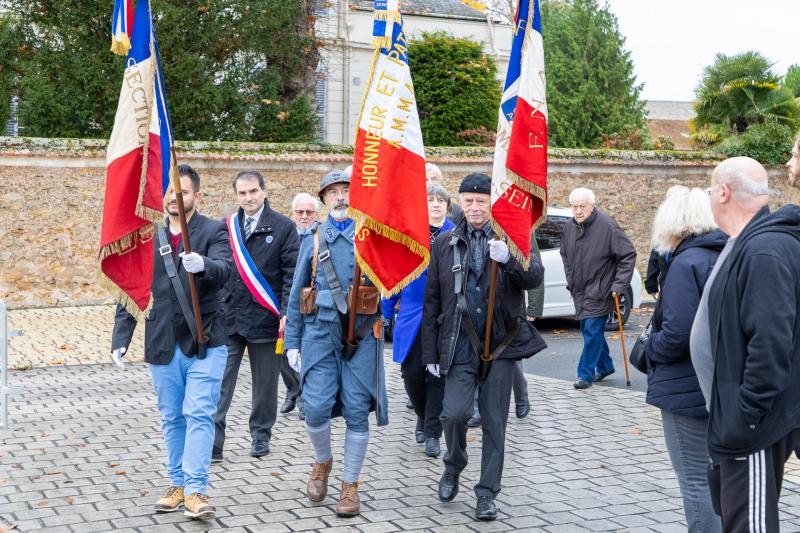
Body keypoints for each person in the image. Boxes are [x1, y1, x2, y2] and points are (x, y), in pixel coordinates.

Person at [421, 172, 546, 521]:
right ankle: (453, 464)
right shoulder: (444, 244)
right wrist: (430, 354)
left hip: (501, 344)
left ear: (492, 203)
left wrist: (509, 260)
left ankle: (487, 493)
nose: (474, 207)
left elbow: (534, 277)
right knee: (454, 414)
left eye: (481, 201)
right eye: (468, 201)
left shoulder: (513, 237)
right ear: (460, 203)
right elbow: (433, 301)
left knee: (494, 422)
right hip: (459, 343)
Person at [111, 164, 231, 520]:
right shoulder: (149, 235)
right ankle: (177, 484)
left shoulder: (214, 230)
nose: (174, 199)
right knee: (172, 417)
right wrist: (121, 337)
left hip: (205, 339)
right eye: (169, 193)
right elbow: (132, 288)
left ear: (197, 196)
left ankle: (195, 490)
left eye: (183, 192)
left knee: (199, 413)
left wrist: (203, 264)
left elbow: (226, 271)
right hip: (162, 339)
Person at [691, 157, 800, 532]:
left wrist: (745, 416)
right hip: (738, 422)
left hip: (751, 429)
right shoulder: (748, 242)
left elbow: (770, 344)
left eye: (710, 189)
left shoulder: (763, 249)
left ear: (723, 193)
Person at [284, 169, 388, 518]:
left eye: (346, 190)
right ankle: (322, 462)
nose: (341, 197)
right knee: (315, 407)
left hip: (363, 334)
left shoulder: (371, 237)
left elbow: (391, 283)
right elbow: (297, 294)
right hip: (319, 334)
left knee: (357, 408)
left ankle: (350, 484)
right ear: (324, 200)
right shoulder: (313, 239)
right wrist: (293, 341)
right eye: (333, 192)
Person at [645, 187, 725, 533]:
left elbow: (677, 334)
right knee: (718, 479)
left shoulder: (686, 263)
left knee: (694, 480)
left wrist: (650, 347)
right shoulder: (725, 253)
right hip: (720, 383)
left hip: (685, 387)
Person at [212, 171, 300, 463]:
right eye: (242, 193)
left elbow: (291, 275)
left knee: (265, 384)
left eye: (253, 191)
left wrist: (287, 312)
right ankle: (213, 441)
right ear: (236, 195)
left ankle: (261, 434)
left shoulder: (284, 227)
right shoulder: (226, 226)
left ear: (264, 191)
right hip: (228, 317)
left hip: (265, 318)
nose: (248, 198)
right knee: (220, 382)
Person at [381, 182, 454, 458]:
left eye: (440, 200)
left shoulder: (457, 233)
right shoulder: (408, 235)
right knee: (412, 374)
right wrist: (386, 312)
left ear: (447, 206)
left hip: (444, 316)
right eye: (430, 200)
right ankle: (423, 415)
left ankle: (433, 432)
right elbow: (394, 276)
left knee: (437, 376)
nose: (435, 204)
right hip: (412, 315)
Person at [559, 187, 636, 389]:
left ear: (592, 206)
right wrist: (570, 277)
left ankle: (585, 374)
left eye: (582, 206)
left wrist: (619, 285)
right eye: (574, 207)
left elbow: (628, 255)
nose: (578, 211)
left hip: (601, 290)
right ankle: (605, 366)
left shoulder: (607, 226)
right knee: (589, 331)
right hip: (579, 290)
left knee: (592, 332)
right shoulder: (569, 228)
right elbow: (564, 254)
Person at [467, 235, 541, 428]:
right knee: (477, 356)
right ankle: (477, 407)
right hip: (479, 309)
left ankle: (521, 397)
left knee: (512, 361)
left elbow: (533, 271)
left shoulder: (517, 230)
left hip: (507, 312)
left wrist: (534, 307)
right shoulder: (471, 230)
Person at [281, 191, 321, 420]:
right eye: (300, 212)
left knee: (309, 351)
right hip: (288, 302)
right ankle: (293, 389)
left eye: (309, 212)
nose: (304, 216)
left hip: (313, 302)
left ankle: (305, 398)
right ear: (293, 214)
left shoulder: (320, 236)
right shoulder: (285, 236)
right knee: (283, 352)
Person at [644, 186, 688, 298]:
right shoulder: (664, 224)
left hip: (685, 285)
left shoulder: (692, 223)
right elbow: (655, 254)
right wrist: (651, 284)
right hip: (666, 284)